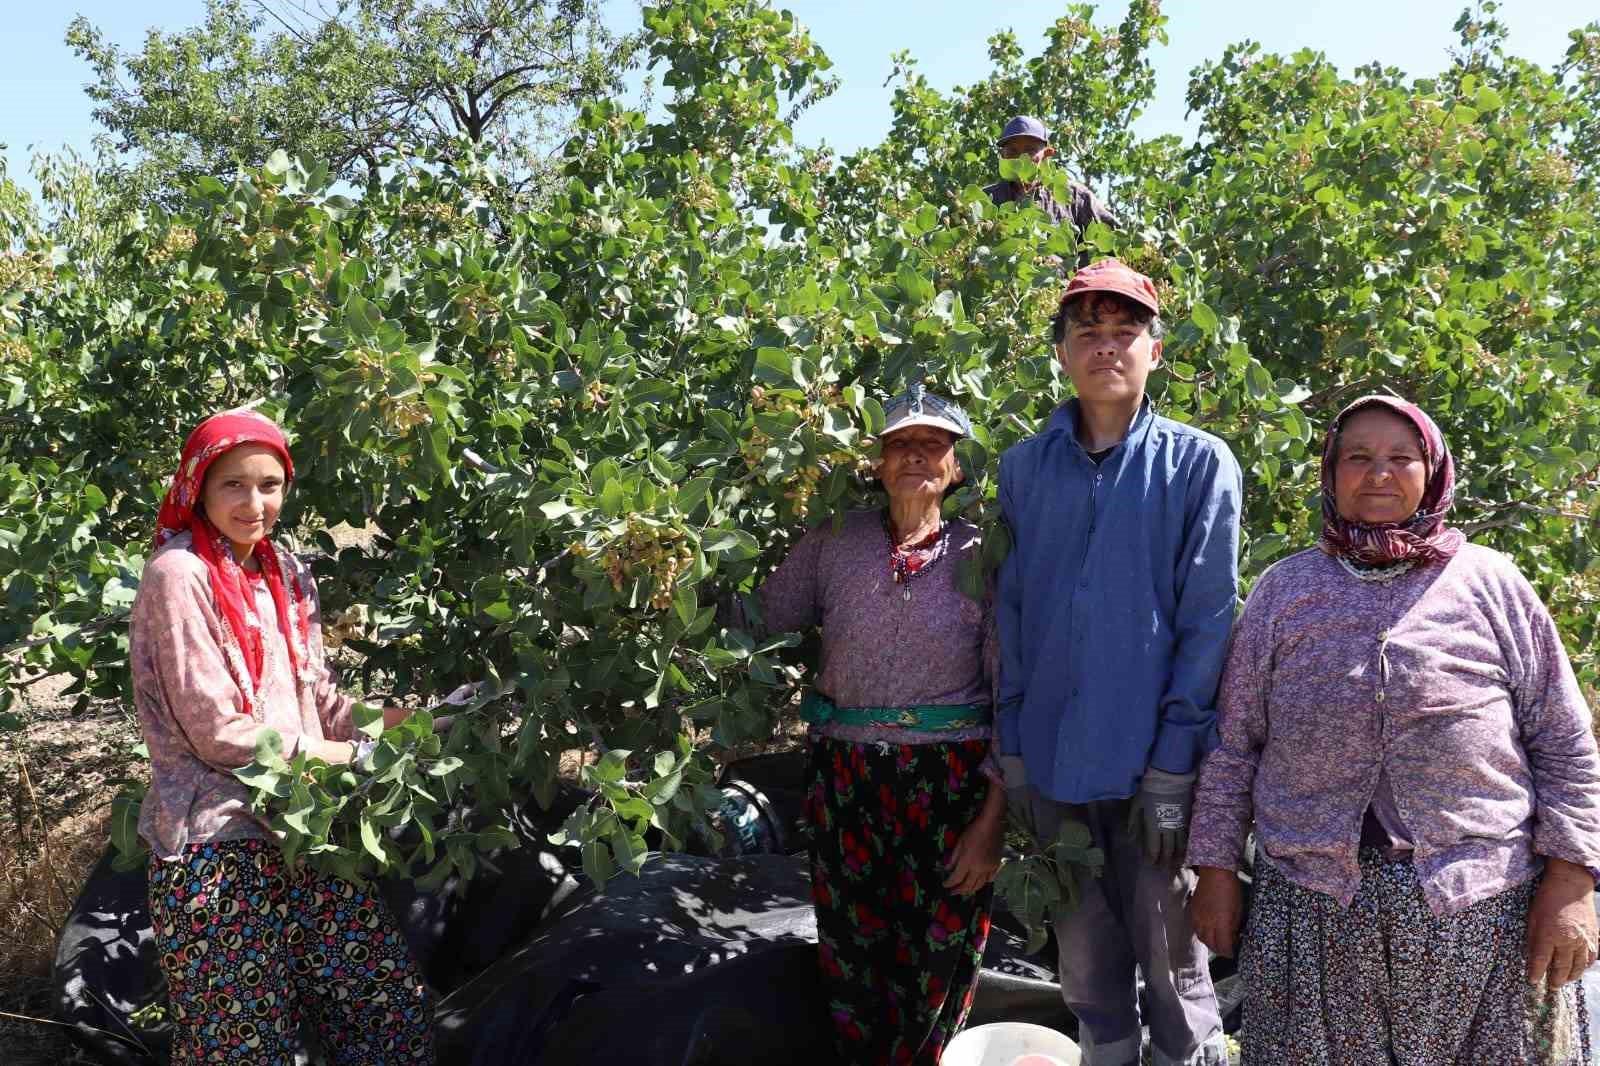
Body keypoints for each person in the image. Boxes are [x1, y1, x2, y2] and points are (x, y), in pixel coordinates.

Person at [1186, 394, 1600, 1065]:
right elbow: (1235, 747)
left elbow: (1564, 741)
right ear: (1331, 474)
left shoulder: (1491, 584)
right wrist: (1215, 871)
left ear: (1431, 472)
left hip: (1484, 910)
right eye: (1358, 458)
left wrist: (1573, 883)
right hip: (1312, 915)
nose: (1378, 474)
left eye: (1399, 458)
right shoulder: (1283, 592)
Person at [130, 409, 435, 1065]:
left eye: (270, 484)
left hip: (304, 826)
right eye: (234, 485)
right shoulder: (179, 576)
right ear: (199, 489)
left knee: (383, 1008)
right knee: (245, 1043)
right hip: (217, 843)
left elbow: (316, 700)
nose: (254, 502)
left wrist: (420, 724)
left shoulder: (284, 572)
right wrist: (347, 756)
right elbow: (217, 732)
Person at [995, 258, 1239, 1066]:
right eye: (1087, 333)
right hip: (1056, 769)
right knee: (1088, 973)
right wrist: (1016, 756)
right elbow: (1012, 616)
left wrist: (1175, 773)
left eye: (1125, 332)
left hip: (1148, 774)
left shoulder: (1200, 465)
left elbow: (1207, 626)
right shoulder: (1024, 469)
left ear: (1155, 351)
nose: (1107, 348)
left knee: (1173, 972)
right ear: (1062, 353)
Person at [741, 386, 1004, 1065]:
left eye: (934, 444)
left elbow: (1016, 698)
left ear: (956, 468)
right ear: (878, 465)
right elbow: (760, 621)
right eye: (899, 444)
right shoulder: (836, 542)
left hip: (951, 784)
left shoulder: (986, 557)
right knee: (852, 951)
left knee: (937, 957)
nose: (916, 455)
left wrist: (993, 823)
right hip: (846, 777)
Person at [984, 115, 1118, 244]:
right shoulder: (986, 199)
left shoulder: (1076, 197)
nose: (1021, 158)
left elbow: (1113, 242)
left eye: (1030, 150)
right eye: (1012, 151)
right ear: (1002, 156)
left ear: (1047, 154)